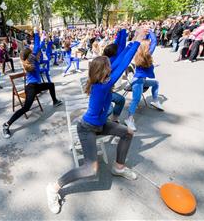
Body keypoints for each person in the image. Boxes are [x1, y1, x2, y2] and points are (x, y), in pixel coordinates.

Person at [45, 29, 147, 214]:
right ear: (104, 71)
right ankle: (53, 188)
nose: (112, 67)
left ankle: (118, 167)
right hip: (87, 129)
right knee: (90, 169)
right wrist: (137, 42)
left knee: (128, 133)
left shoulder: (102, 79)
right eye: (109, 66)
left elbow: (119, 57)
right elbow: (122, 64)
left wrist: (127, 36)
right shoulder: (102, 86)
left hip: (99, 124)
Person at [2, 28, 62, 139]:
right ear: (31, 55)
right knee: (26, 108)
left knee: (50, 85)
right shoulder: (32, 60)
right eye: (37, 53)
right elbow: (37, 46)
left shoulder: (31, 60)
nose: (39, 53)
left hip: (36, 86)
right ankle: (6, 125)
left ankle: (55, 101)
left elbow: (39, 48)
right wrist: (36, 33)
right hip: (31, 88)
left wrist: (42, 38)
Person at [125, 38, 164, 132]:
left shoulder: (141, 55)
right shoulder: (144, 55)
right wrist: (149, 30)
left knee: (156, 83)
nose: (151, 46)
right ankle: (129, 119)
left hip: (140, 80)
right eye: (149, 45)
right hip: (137, 82)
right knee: (136, 100)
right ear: (146, 47)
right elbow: (154, 41)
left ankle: (155, 100)